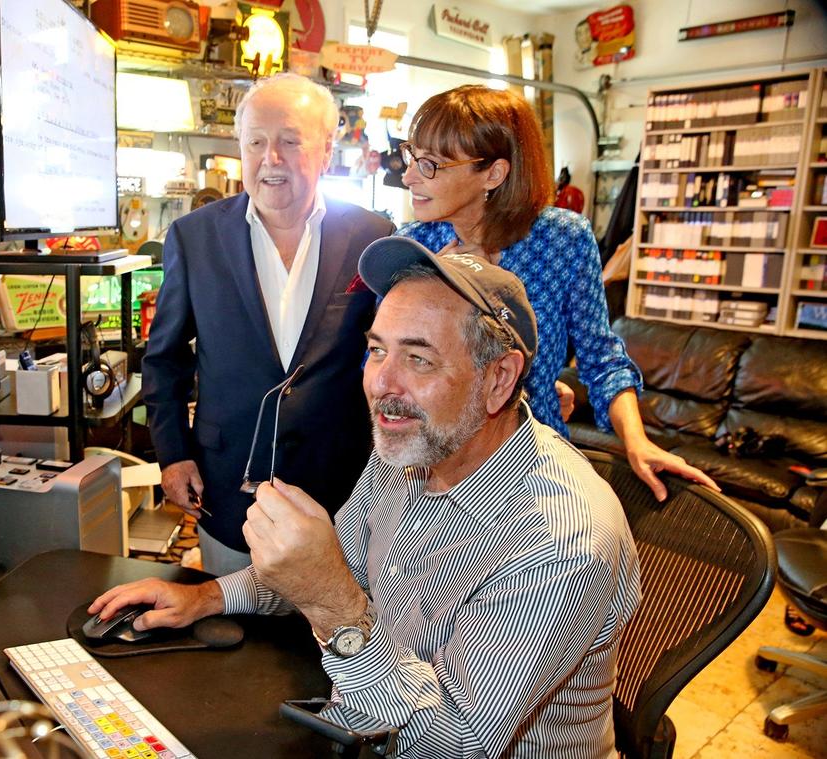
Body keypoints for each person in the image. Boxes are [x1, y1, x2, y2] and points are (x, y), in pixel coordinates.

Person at [90, 237, 641, 758]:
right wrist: (207, 597)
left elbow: (454, 738)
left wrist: (334, 608)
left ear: (498, 380)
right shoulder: (411, 448)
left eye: (419, 359)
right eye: (378, 351)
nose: (382, 383)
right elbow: (336, 566)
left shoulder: (562, 540)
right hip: (363, 722)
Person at [396, 84, 716, 501]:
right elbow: (388, 367)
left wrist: (637, 441)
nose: (408, 176)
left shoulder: (561, 240)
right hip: (433, 467)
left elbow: (600, 357)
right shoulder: (411, 246)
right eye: (411, 156)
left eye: (431, 164)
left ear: (493, 173)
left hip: (532, 469)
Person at [142, 73, 394, 575]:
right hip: (227, 485)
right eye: (255, 141)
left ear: (325, 151)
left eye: (290, 141)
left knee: (329, 639)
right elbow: (164, 358)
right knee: (228, 631)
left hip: (340, 493)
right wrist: (172, 455)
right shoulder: (195, 238)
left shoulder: (372, 235)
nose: (270, 158)